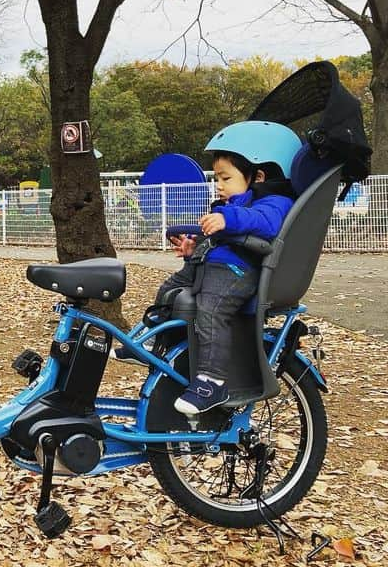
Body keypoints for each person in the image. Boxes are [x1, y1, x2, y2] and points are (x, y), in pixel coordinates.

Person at [115, 121, 302, 416]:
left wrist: (228, 219)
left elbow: (266, 223)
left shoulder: (273, 202)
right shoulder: (236, 204)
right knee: (169, 290)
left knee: (211, 310)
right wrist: (193, 250)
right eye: (217, 178)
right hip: (211, 267)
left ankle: (212, 381)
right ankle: (155, 343)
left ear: (259, 175)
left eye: (226, 178)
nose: (219, 185)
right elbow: (221, 241)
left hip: (238, 273)